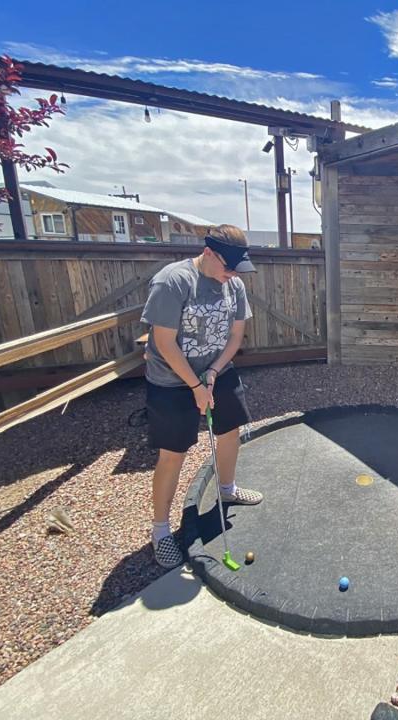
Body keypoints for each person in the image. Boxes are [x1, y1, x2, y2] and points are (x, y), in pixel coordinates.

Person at [140, 224, 263, 568]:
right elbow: (163, 343)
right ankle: (161, 531)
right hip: (171, 381)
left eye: (236, 270)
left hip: (216, 373)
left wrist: (211, 374)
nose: (231, 275)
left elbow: (236, 336)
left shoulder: (234, 285)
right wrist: (195, 386)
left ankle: (227, 489)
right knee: (172, 454)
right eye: (227, 267)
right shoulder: (173, 282)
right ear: (209, 252)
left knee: (229, 432)